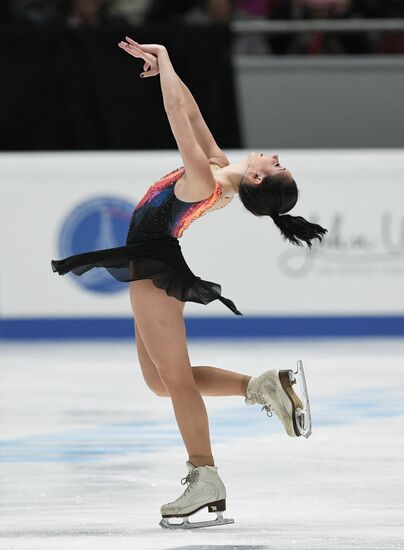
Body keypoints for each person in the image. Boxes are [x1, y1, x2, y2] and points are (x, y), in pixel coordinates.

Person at [51, 37, 327, 529]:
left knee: (175, 381)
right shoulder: (220, 170)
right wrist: (166, 71)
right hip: (149, 262)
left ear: (259, 182)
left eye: (277, 165)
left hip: (154, 268)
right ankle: (263, 386)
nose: (275, 154)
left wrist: (169, 63)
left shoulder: (207, 180)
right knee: (160, 383)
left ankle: (205, 476)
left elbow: (179, 121)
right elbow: (194, 116)